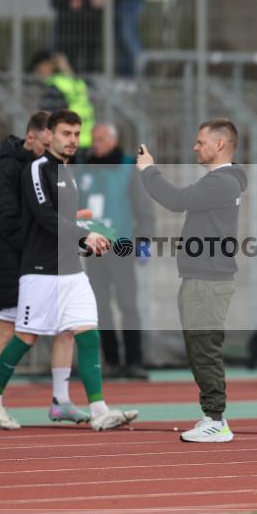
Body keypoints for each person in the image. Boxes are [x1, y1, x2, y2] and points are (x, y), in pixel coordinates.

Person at [0, 110, 138, 432]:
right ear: (50, 134)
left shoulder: (69, 171)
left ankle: (99, 409)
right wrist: (85, 235)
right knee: (24, 338)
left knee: (87, 332)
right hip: (40, 271)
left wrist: (88, 239)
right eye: (66, 133)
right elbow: (44, 217)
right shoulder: (37, 169)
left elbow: (66, 222)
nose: (72, 140)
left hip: (70, 270)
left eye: (76, 134)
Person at [136, 119, 248, 443]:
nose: (195, 148)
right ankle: (211, 414)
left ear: (220, 145)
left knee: (205, 349)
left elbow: (174, 199)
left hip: (209, 280)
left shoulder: (222, 181)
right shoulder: (224, 180)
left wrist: (148, 170)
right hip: (203, 277)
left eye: (201, 142)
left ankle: (217, 419)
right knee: (199, 349)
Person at [0, 111, 76, 430]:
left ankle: (61, 400)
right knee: (6, 332)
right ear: (32, 137)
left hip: (48, 263)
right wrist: (39, 242)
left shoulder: (55, 166)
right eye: (47, 142)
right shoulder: (7, 168)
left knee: (67, 327)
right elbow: (6, 221)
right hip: (14, 262)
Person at [79, 123, 155, 379]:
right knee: (100, 305)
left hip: (120, 245)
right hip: (94, 247)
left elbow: (142, 207)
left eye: (100, 138)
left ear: (113, 140)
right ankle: (110, 361)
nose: (95, 142)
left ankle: (134, 360)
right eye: (94, 138)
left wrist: (144, 240)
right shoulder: (85, 167)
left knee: (127, 303)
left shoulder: (127, 166)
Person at [31, 50, 96, 153]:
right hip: (86, 140)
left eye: (38, 69)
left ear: (45, 66)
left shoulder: (55, 87)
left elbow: (47, 118)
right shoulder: (77, 82)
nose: (37, 74)